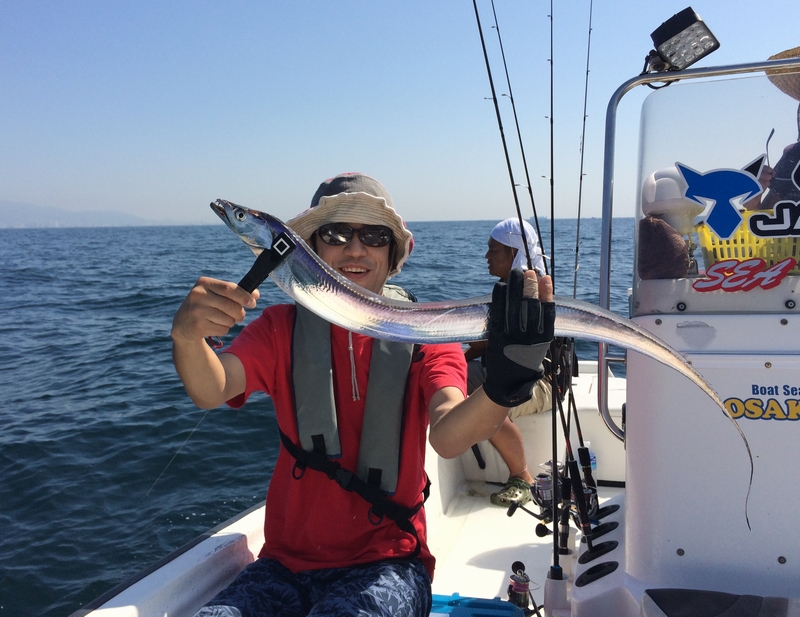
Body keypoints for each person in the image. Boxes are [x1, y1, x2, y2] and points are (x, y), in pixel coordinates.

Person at [171, 173, 555, 617]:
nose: (355, 249)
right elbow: (212, 387)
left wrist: (504, 387)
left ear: (392, 254)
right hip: (281, 566)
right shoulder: (279, 329)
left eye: (373, 236)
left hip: (389, 564)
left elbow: (448, 435)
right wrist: (187, 337)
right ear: (310, 248)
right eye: (336, 234)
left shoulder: (425, 332)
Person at [464, 218, 551, 507]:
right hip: (506, 375)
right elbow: (487, 343)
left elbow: (483, 343)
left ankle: (522, 477)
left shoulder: (527, 292)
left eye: (493, 250)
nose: (486, 256)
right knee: (448, 380)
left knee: (481, 406)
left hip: (541, 383)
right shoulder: (511, 287)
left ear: (513, 252)